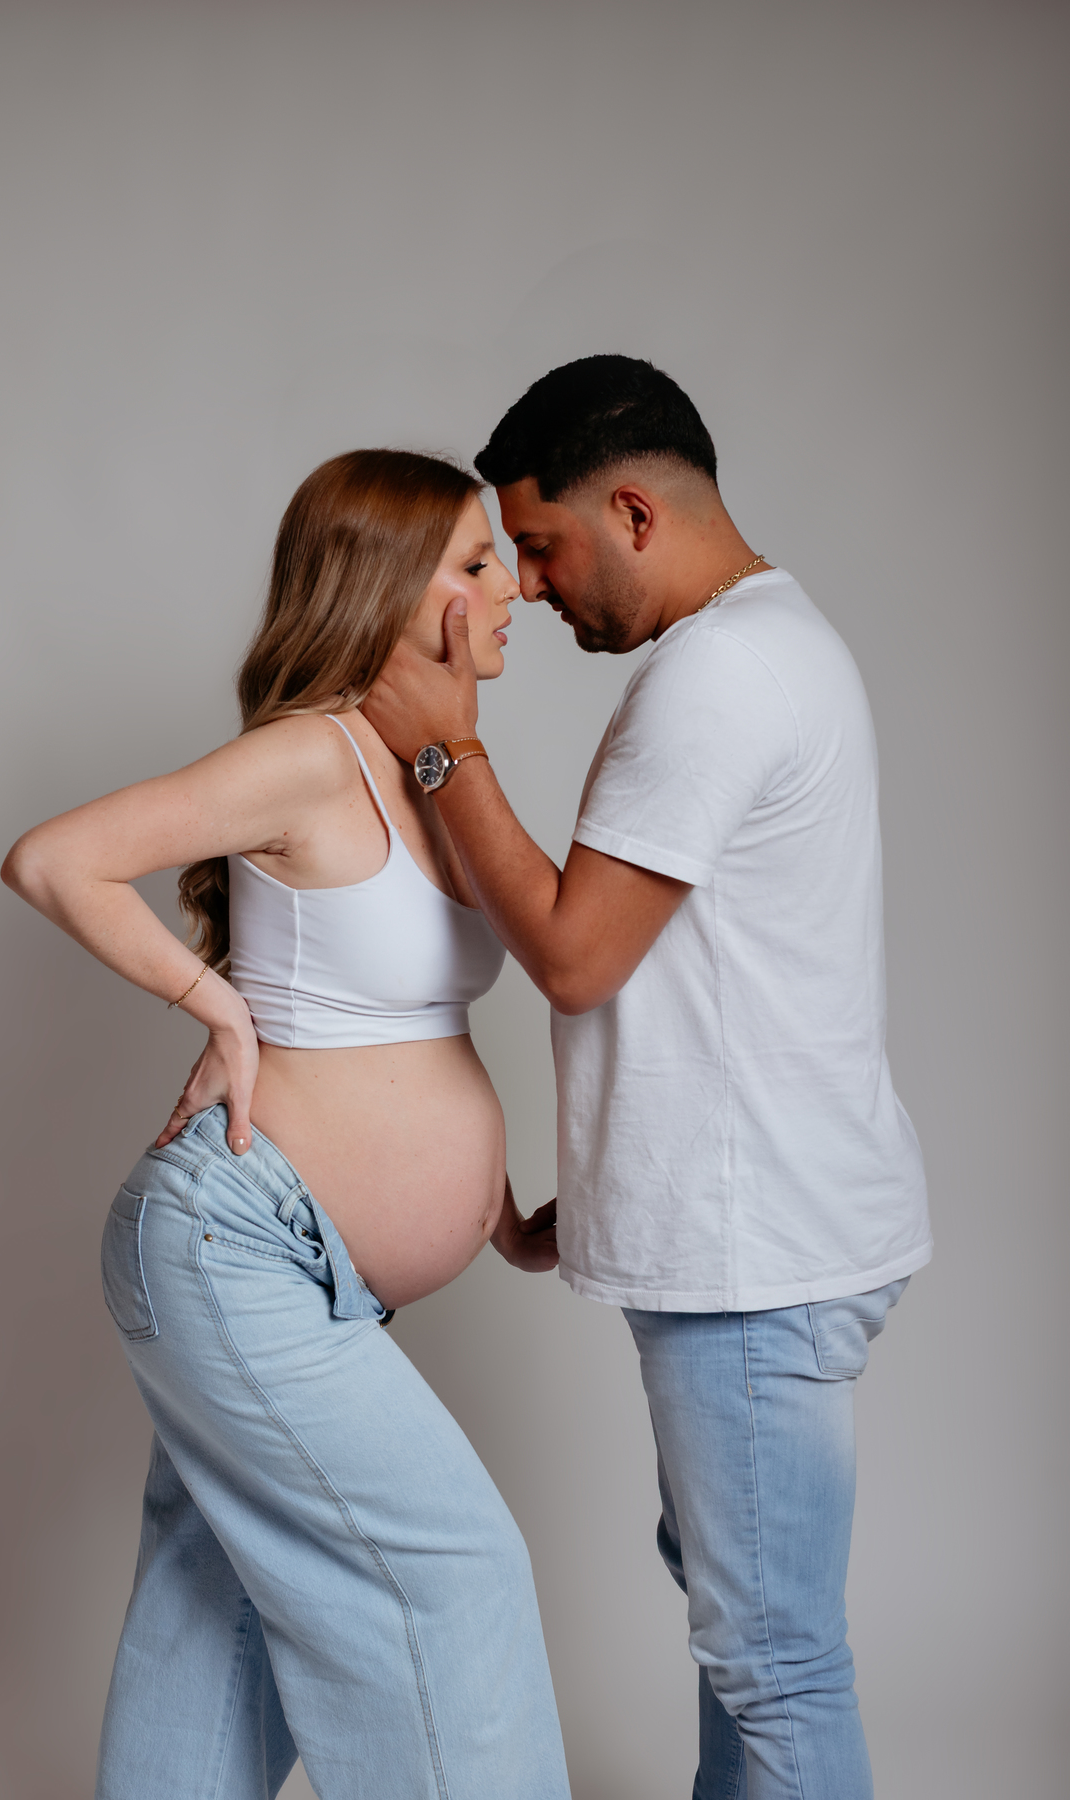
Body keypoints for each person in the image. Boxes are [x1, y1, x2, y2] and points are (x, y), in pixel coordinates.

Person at [363, 357, 932, 1800]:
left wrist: (445, 752)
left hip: (754, 1258)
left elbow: (574, 954)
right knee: (748, 1637)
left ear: (631, 511)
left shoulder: (719, 675)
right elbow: (707, 969)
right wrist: (617, 1186)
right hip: (765, 1228)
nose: (528, 589)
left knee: (773, 1660)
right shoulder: (770, 644)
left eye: (539, 545)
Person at [1, 449, 571, 1800]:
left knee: (217, 1615)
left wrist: (491, 1211)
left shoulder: (430, 768)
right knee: (454, 1572)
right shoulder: (313, 755)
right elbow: (53, 859)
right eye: (478, 563)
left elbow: (414, 1019)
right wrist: (220, 1009)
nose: (513, 590)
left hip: (306, 1268)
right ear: (395, 591)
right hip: (236, 1244)